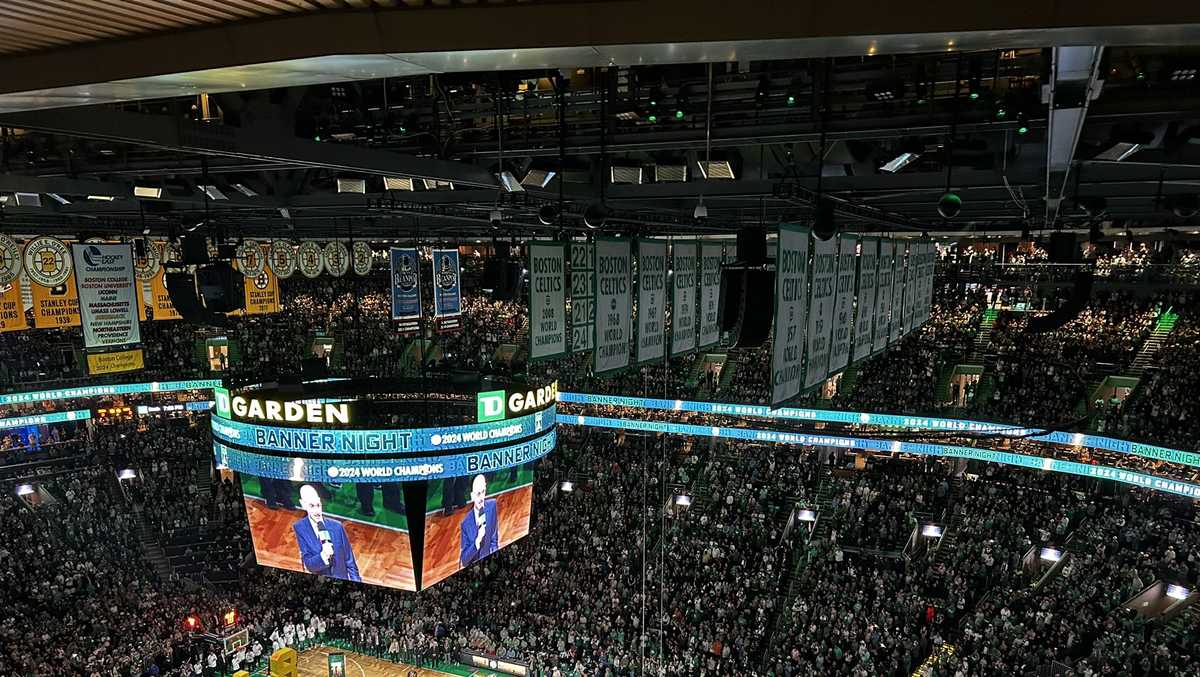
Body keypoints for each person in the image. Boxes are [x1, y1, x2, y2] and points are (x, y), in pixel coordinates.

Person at [293, 484, 362, 582]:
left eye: (318, 505)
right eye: (312, 506)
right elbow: (309, 565)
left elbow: (349, 560)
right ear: (303, 504)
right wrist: (323, 556)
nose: (317, 511)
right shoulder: (300, 527)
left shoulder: (337, 526)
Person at [459, 474, 500, 568]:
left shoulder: (492, 506)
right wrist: (477, 542)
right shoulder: (465, 524)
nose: (481, 498)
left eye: (483, 492)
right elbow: (464, 561)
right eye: (478, 494)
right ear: (472, 496)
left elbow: (494, 539)